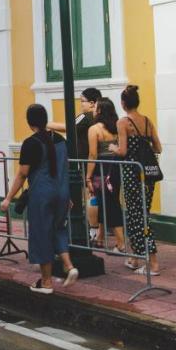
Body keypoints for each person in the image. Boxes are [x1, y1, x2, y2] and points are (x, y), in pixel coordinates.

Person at [1, 104, 78, 292]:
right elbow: (65, 167)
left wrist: (8, 198)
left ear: (29, 122)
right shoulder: (60, 139)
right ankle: (69, 266)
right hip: (61, 192)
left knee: (41, 235)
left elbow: (22, 174)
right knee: (58, 229)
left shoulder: (31, 143)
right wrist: (66, 194)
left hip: (42, 194)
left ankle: (46, 282)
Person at [116, 84, 162, 275]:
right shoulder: (147, 121)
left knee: (138, 217)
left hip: (131, 174)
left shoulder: (123, 123)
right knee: (139, 214)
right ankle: (135, 258)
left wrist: (113, 149)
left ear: (123, 103)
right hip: (147, 176)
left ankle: (153, 263)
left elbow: (123, 151)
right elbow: (158, 148)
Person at [48, 87, 101, 237]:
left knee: (91, 195)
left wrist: (47, 123)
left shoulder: (86, 117)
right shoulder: (100, 117)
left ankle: (93, 230)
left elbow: (68, 127)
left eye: (82, 101)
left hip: (87, 161)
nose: (81, 105)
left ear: (92, 103)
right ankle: (99, 231)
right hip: (100, 161)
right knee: (97, 195)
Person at [83, 98, 125, 251]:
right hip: (115, 169)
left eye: (96, 108)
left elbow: (93, 154)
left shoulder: (94, 129)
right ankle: (100, 238)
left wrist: (88, 176)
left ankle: (121, 243)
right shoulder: (117, 126)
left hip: (101, 170)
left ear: (99, 111)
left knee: (110, 204)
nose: (93, 110)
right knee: (107, 201)